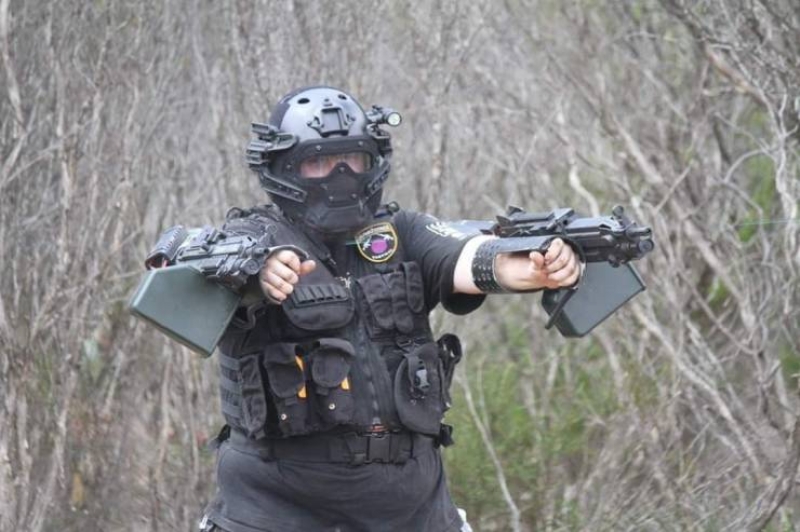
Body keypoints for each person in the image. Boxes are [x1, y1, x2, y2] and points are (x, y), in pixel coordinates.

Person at [199, 86, 582, 532]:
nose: (340, 176)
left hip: (412, 506)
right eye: (319, 162)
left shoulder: (403, 233)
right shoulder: (248, 241)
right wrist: (255, 272)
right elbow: (191, 263)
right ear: (284, 168)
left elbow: (469, 257)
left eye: (352, 160)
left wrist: (537, 266)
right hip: (274, 507)